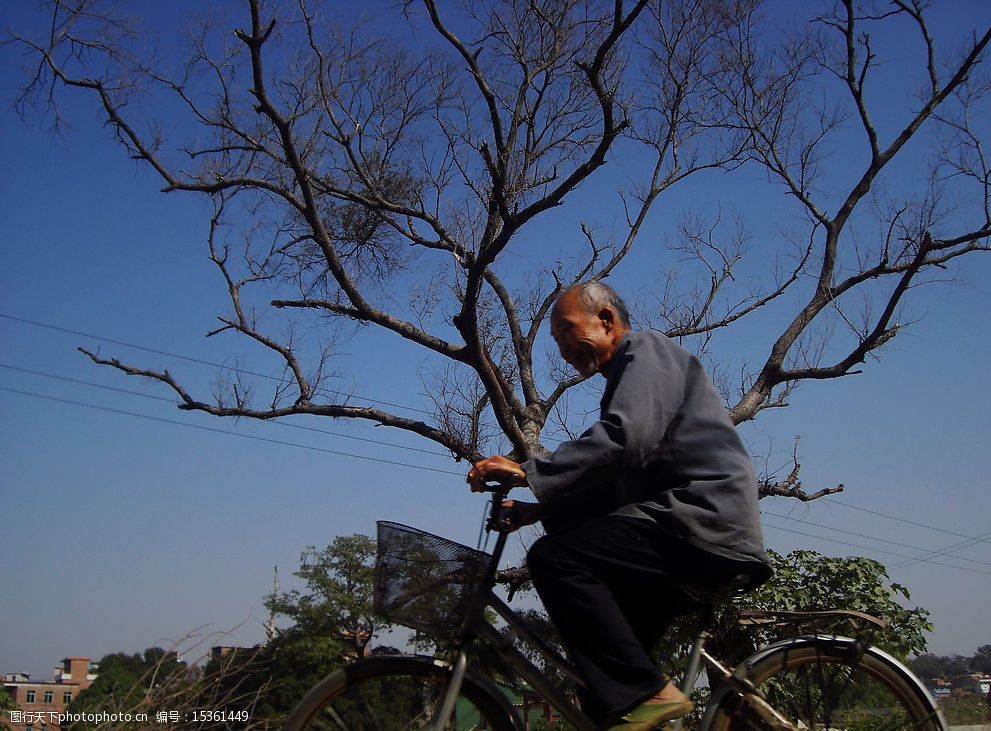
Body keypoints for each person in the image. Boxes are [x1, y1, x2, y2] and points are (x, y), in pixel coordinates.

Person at [467, 281, 772, 731]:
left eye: (567, 330)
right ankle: (642, 697)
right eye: (556, 340)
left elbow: (623, 439)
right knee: (602, 693)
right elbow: (618, 485)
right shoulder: (627, 378)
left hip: (701, 521)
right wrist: (541, 511)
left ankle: (651, 693)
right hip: (680, 525)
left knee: (555, 559)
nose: (564, 346)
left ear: (607, 320)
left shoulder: (645, 351)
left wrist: (529, 471)